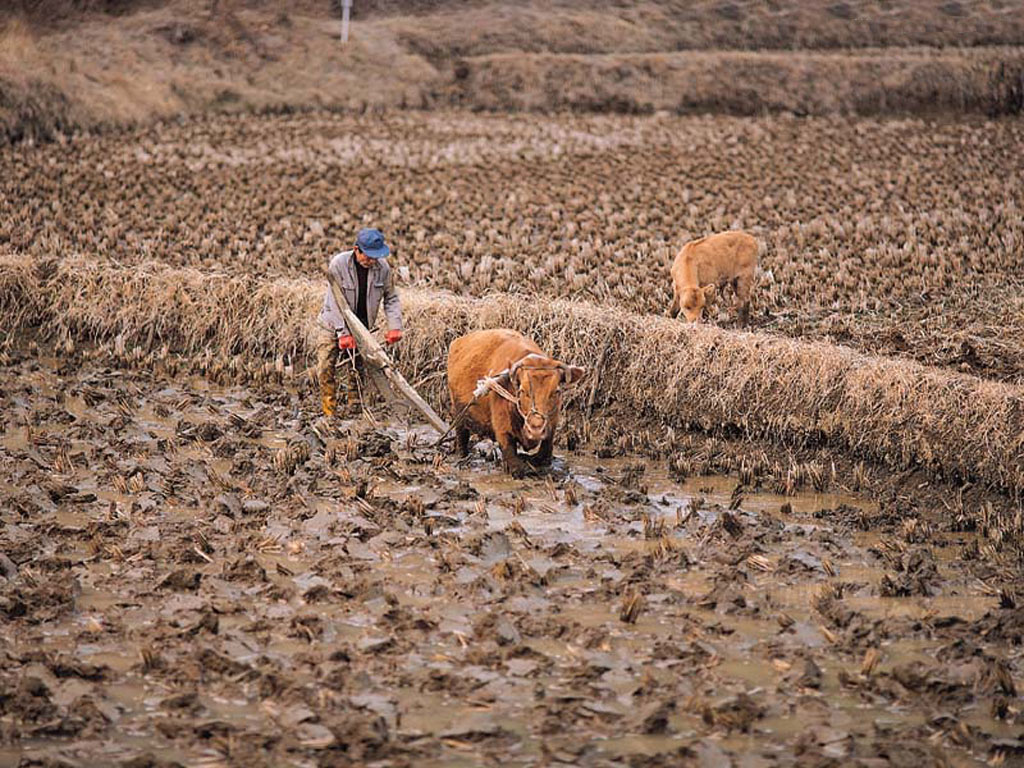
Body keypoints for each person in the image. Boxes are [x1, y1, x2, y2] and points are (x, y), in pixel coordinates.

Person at [316, 228, 403, 417]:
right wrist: (343, 332)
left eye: (375, 257)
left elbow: (391, 298)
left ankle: (354, 408)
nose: (372, 261)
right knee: (326, 366)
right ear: (357, 250)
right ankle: (329, 412)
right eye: (368, 257)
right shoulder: (339, 264)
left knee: (357, 368)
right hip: (332, 323)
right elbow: (334, 301)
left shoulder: (383, 269)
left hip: (361, 327)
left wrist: (395, 326)